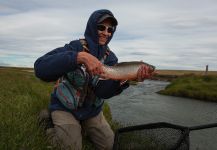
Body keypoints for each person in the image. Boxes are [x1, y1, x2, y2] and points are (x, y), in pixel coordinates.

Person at [34, 9, 154, 150]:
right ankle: (48, 125)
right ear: (92, 27)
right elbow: (40, 68)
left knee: (109, 146)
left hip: (92, 112)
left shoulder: (111, 58)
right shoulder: (75, 47)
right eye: (101, 27)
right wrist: (79, 57)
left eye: (110, 29)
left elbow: (103, 92)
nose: (106, 32)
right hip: (64, 107)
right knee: (71, 147)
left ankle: (80, 128)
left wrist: (126, 79)